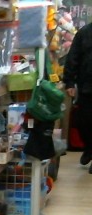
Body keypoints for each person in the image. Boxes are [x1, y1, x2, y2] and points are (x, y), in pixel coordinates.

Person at [63, 21, 92, 172]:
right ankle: (89, 147)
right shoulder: (84, 33)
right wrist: (69, 82)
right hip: (87, 86)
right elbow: (73, 57)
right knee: (83, 122)